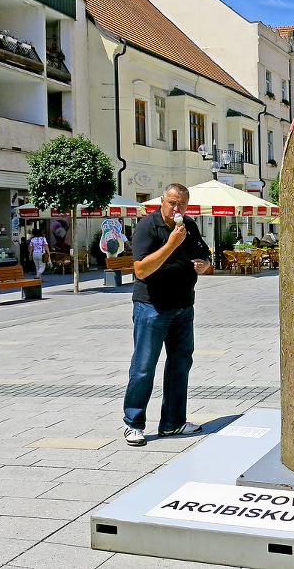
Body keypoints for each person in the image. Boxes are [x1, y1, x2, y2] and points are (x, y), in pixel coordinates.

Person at [122, 183, 212, 447]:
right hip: (152, 307)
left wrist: (206, 264)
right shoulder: (147, 227)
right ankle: (133, 424)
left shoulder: (189, 226)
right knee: (143, 367)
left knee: (180, 364)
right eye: (172, 202)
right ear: (162, 201)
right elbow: (141, 270)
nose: (177, 208)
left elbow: (205, 256)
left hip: (184, 307)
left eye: (182, 204)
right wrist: (172, 243)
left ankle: (173, 424)